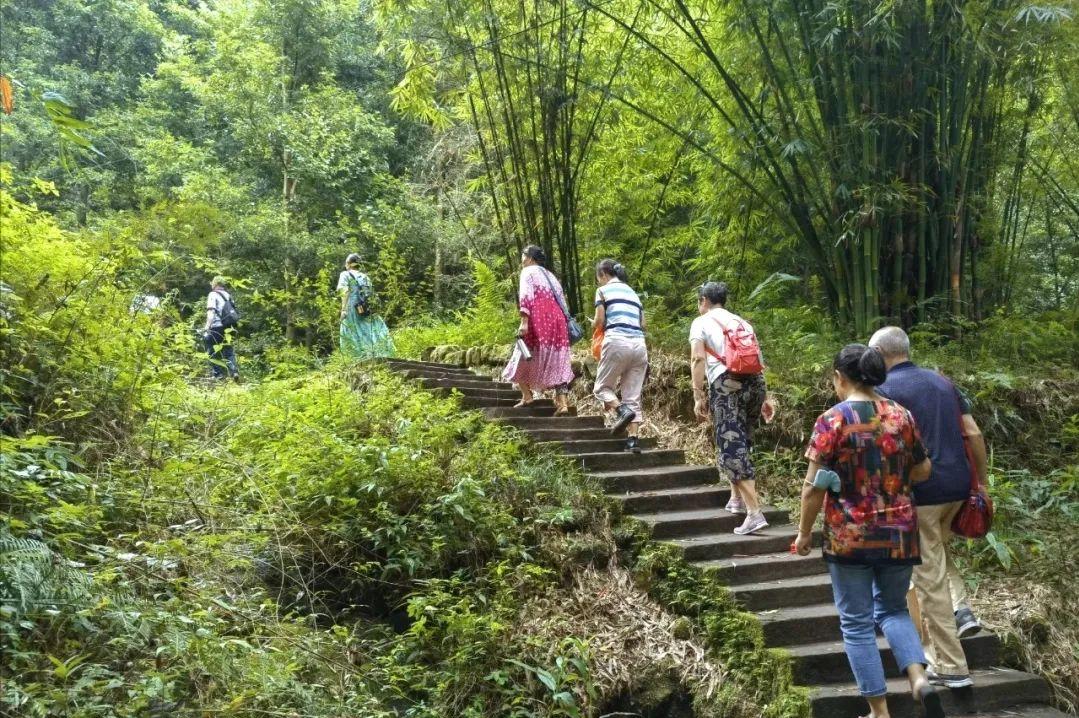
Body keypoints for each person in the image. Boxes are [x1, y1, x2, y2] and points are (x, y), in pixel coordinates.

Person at [794, 344, 943, 718]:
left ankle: (879, 711)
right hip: (899, 533)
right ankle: (918, 679)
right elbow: (924, 469)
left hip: (850, 536)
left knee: (857, 624)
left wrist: (804, 533)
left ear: (839, 378)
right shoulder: (900, 416)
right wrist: (892, 478)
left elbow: (812, 488)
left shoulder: (832, 420)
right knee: (894, 609)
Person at [869, 326, 986, 688]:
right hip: (958, 487)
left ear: (880, 355)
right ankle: (961, 608)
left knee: (928, 579)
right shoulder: (943, 383)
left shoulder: (884, 391)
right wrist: (981, 484)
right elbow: (973, 432)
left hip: (921, 492)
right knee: (936, 554)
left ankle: (952, 666)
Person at [689, 281, 773, 534]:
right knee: (742, 439)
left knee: (731, 446)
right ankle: (735, 499)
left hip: (727, 385)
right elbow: (758, 359)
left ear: (704, 300)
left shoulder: (700, 322)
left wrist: (698, 395)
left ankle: (754, 513)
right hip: (755, 384)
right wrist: (766, 397)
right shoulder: (742, 322)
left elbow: (697, 358)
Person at [503, 245, 575, 414]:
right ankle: (563, 404)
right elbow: (563, 303)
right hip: (558, 320)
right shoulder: (551, 276)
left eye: (523, 255)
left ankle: (527, 395)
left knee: (522, 353)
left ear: (529, 258)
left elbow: (526, 296)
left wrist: (524, 321)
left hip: (539, 318)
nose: (521, 259)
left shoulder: (527, 272)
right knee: (558, 360)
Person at [592, 259, 648, 452]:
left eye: (598, 278)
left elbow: (600, 320)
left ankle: (622, 411)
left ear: (603, 275)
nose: (599, 281)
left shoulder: (603, 291)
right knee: (632, 396)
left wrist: (594, 324)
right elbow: (643, 324)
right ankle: (633, 441)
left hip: (616, 341)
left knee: (601, 388)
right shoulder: (633, 294)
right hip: (639, 345)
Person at [337, 254, 395, 359]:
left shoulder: (345, 274)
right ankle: (378, 355)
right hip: (366, 308)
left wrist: (343, 310)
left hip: (352, 308)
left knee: (352, 331)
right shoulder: (365, 277)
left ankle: (358, 358)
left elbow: (345, 291)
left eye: (346, 263)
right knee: (369, 330)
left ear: (349, 264)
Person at [203, 276, 239, 382]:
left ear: (215, 284)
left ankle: (218, 375)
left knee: (212, 351)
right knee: (228, 351)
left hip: (216, 327)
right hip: (228, 327)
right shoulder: (228, 296)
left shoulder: (213, 294)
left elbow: (211, 312)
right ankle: (234, 372)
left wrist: (206, 327)